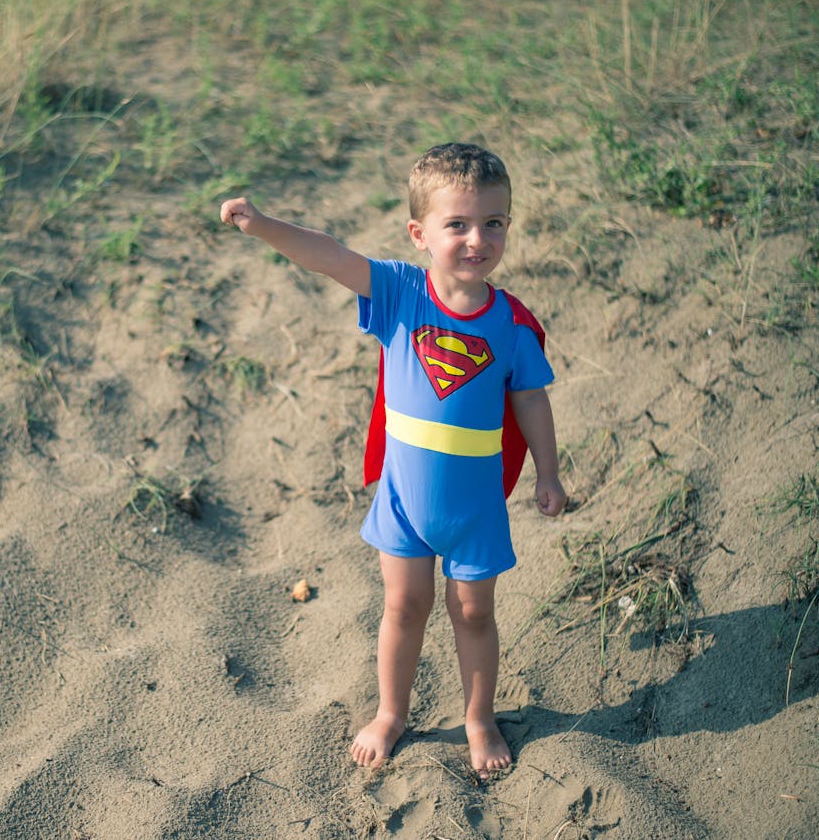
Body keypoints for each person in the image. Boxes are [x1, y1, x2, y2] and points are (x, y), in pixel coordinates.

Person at [219, 143, 566, 779]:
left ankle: (479, 718)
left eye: (493, 222)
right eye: (456, 224)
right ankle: (391, 712)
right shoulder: (404, 293)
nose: (476, 238)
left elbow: (531, 400)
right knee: (403, 608)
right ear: (420, 233)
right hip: (405, 501)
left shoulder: (510, 324)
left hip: (475, 507)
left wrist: (547, 471)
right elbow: (330, 257)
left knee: (474, 612)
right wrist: (263, 225)